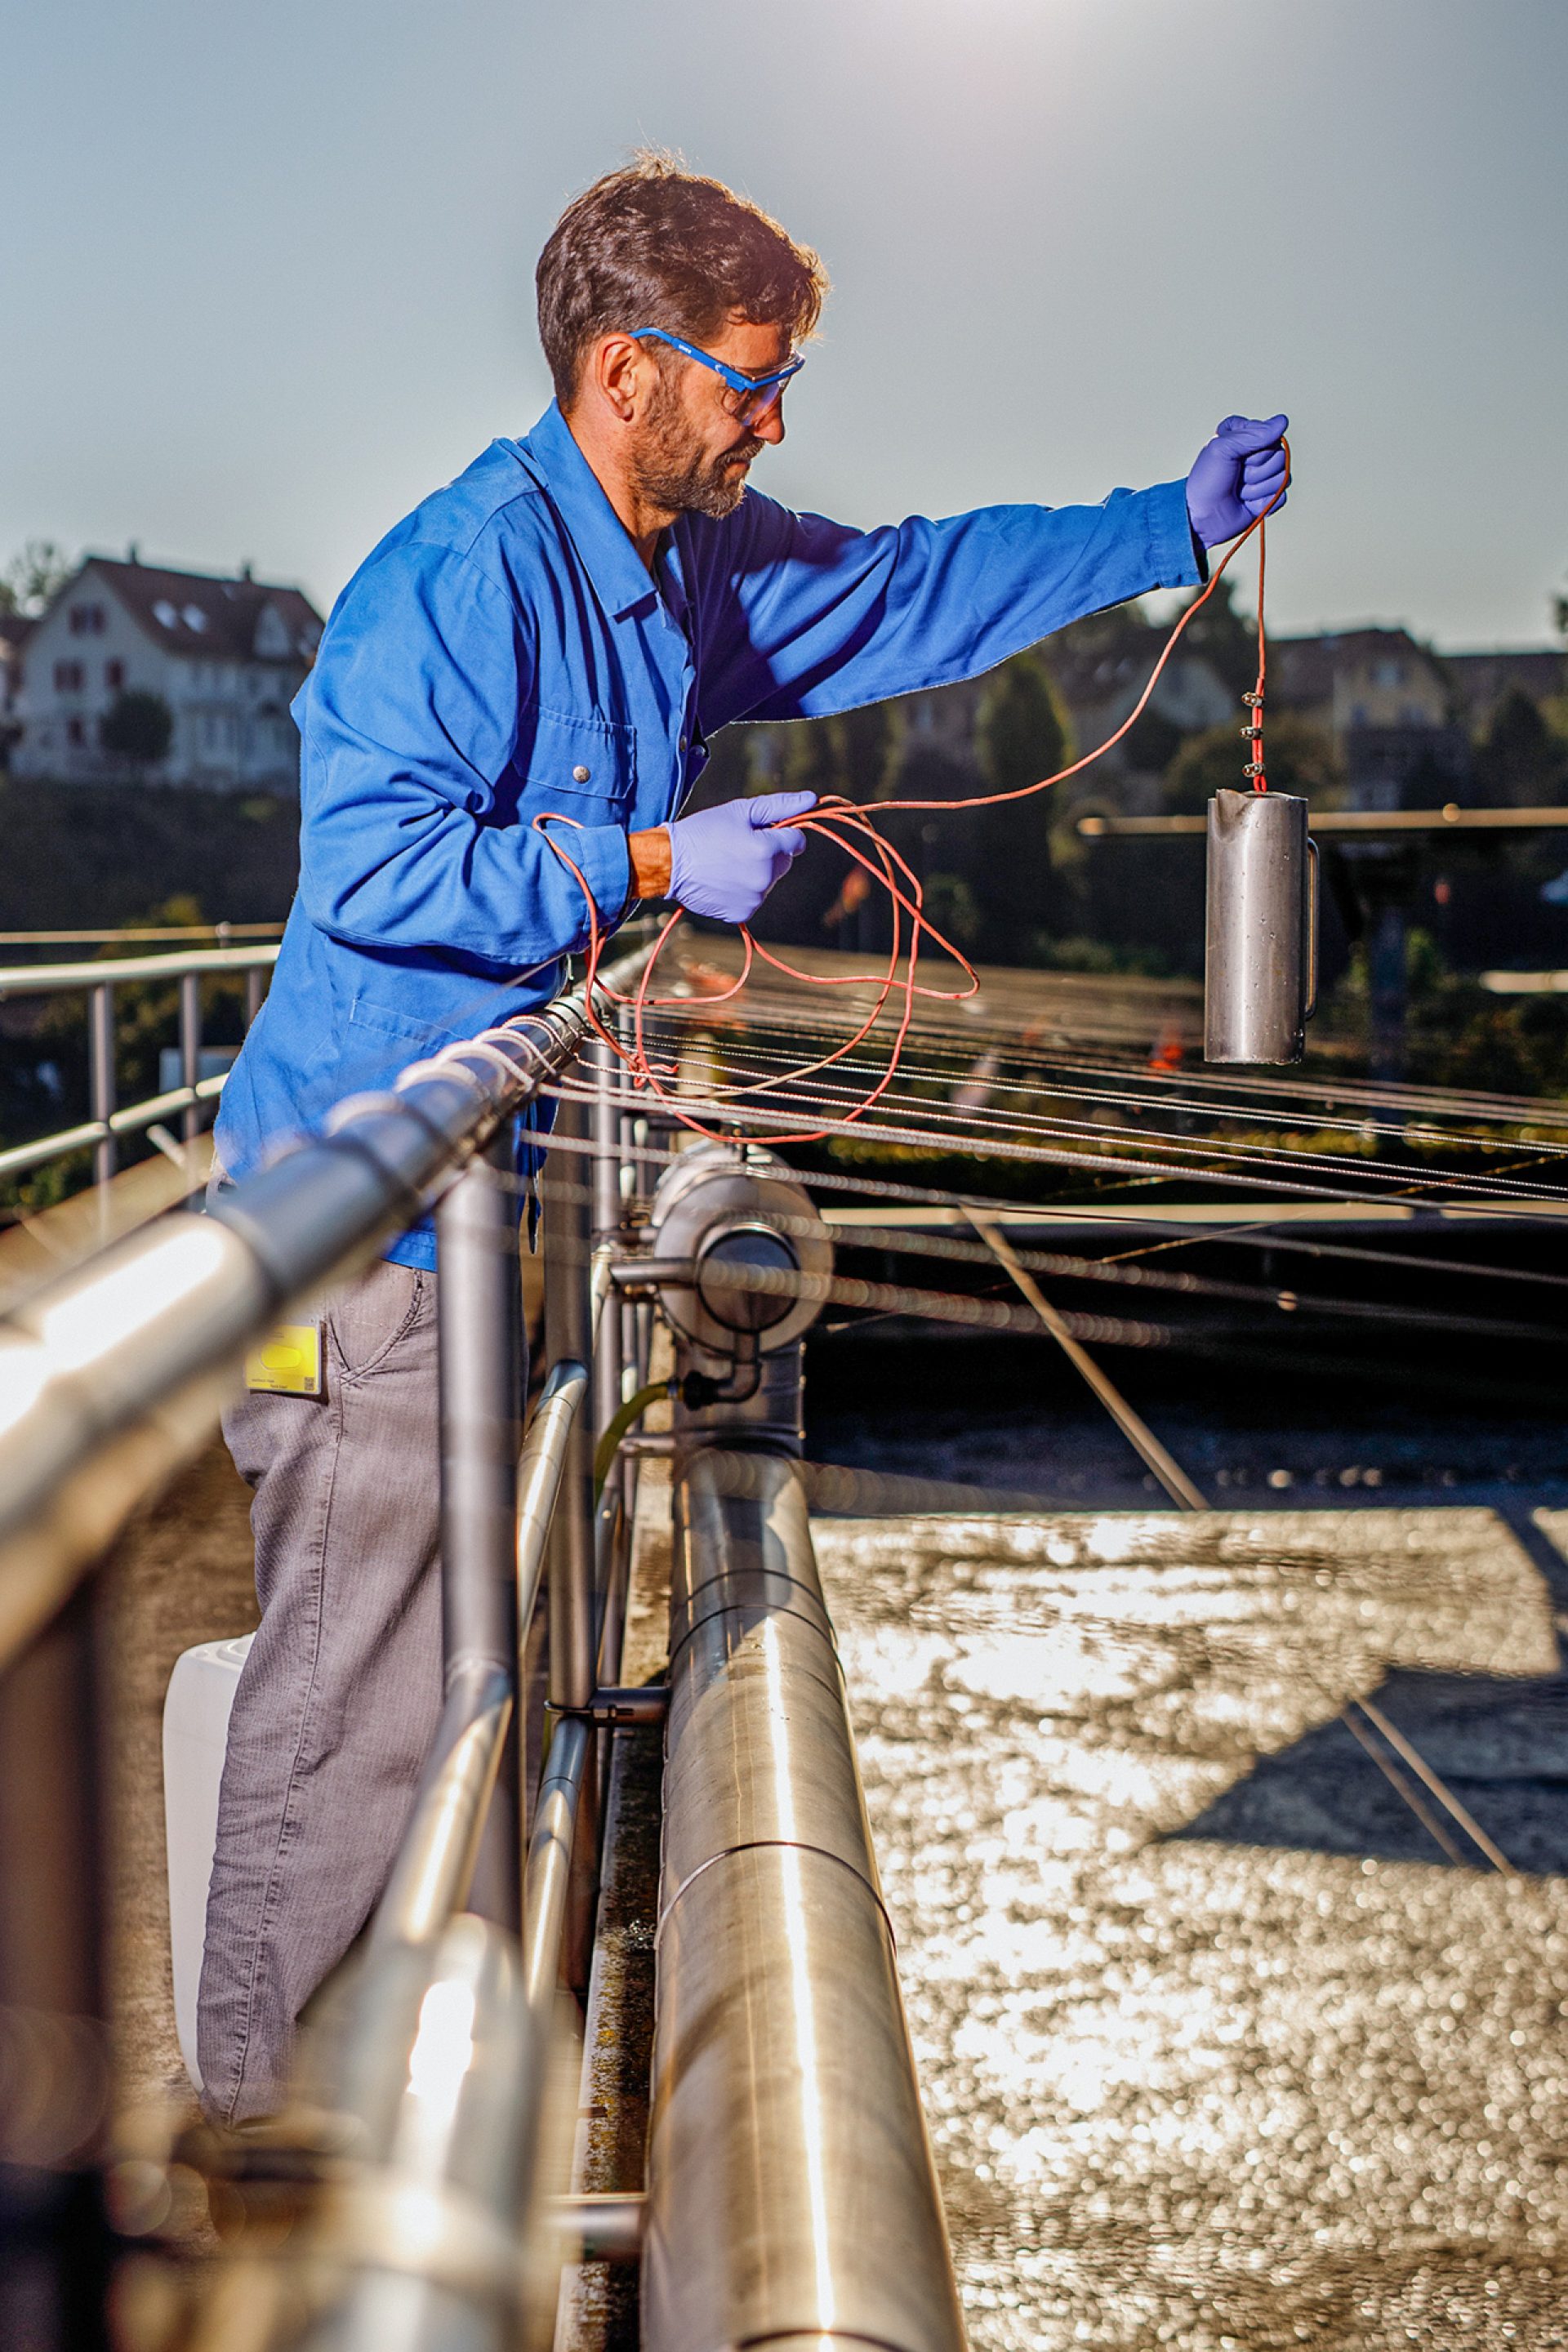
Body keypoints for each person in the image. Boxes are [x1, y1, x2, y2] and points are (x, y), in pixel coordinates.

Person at [198, 153, 1289, 2123]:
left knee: (467, 1641)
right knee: (359, 1672)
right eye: (750, 381)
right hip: (354, 1223)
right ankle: (266, 2142)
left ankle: (399, 2066)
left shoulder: (687, 563)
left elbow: (906, 586)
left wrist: (1158, 521)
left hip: (496, 1202)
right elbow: (371, 866)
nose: (774, 417)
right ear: (628, 368)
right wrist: (643, 857)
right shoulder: (463, 574)